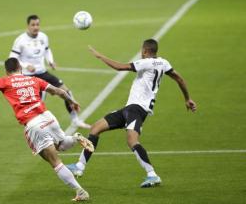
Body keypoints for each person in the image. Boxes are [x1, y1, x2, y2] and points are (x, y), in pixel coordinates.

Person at [0, 58, 94, 201]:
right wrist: (71, 101)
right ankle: (75, 138)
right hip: (49, 117)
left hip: (33, 124)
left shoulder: (6, 82)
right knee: (61, 145)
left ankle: (80, 191)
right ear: (20, 68)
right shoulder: (33, 80)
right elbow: (59, 91)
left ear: (7, 71)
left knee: (55, 162)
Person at [66, 39, 197, 188]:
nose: (141, 53)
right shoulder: (163, 63)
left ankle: (152, 174)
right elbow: (179, 78)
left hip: (137, 109)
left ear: (146, 51)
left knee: (132, 141)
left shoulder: (145, 62)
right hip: (130, 108)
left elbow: (120, 67)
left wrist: (100, 56)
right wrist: (187, 98)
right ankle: (80, 166)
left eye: (142, 51)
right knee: (95, 128)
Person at [9, 15, 91, 129]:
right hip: (29, 76)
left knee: (66, 92)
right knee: (39, 103)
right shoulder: (20, 40)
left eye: (37, 24)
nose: (36, 27)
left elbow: (47, 50)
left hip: (43, 73)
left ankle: (75, 120)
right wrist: (26, 66)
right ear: (28, 26)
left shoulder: (43, 37)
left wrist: (51, 61)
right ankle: (36, 125)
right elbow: (12, 57)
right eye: (33, 25)